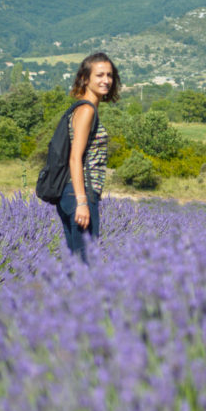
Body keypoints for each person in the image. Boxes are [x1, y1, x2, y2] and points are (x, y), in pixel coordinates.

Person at [56, 52, 118, 263]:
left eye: (109, 75)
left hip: (71, 193)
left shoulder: (81, 108)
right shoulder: (86, 110)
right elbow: (75, 158)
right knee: (86, 266)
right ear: (85, 78)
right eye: (99, 75)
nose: (106, 80)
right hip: (80, 194)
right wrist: (82, 202)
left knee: (76, 265)